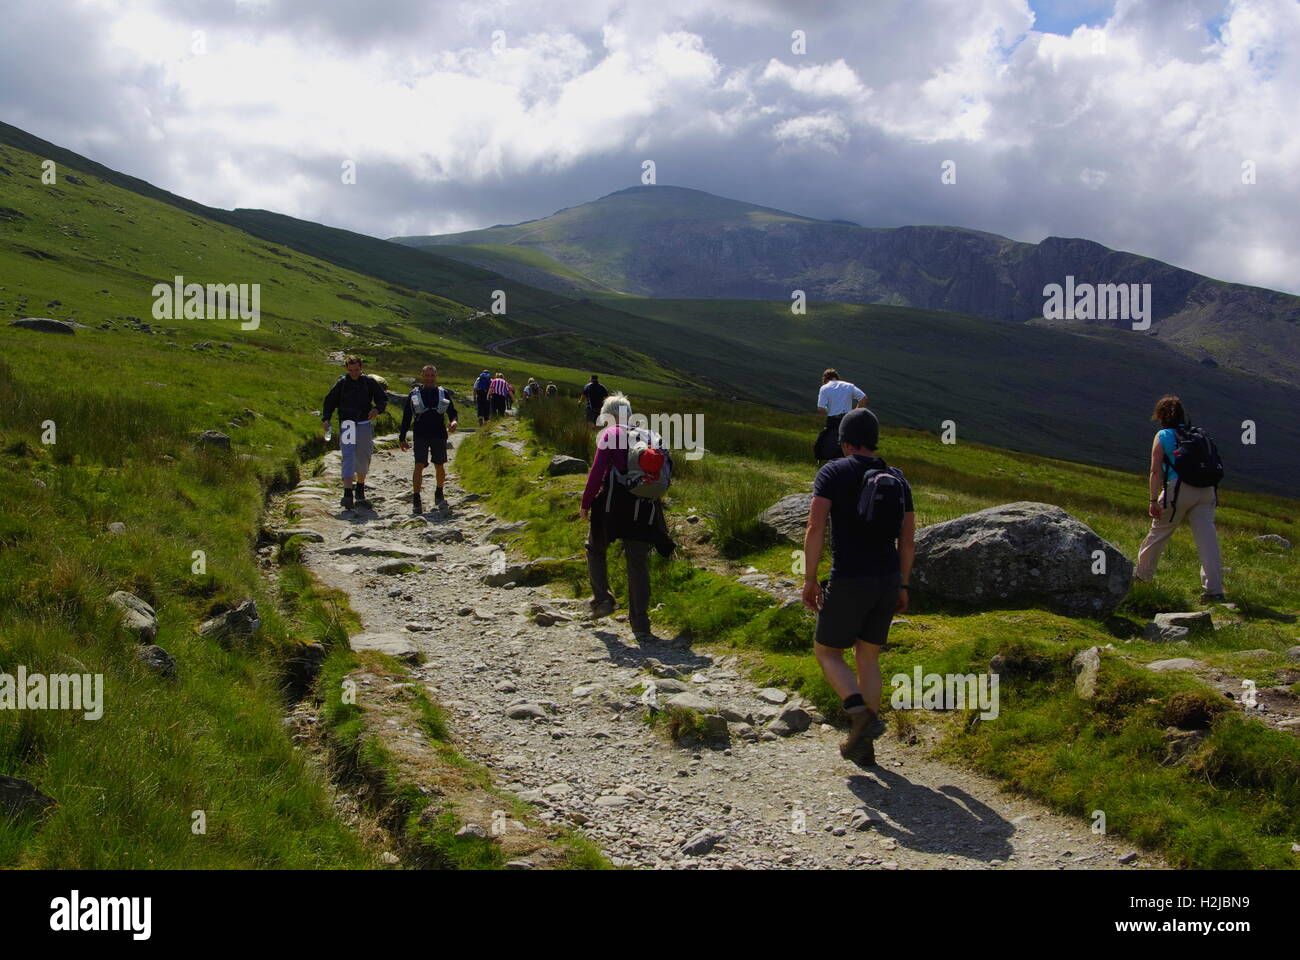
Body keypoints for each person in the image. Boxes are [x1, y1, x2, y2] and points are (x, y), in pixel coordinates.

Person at [802, 408, 914, 766]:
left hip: (850, 577)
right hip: (887, 579)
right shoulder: (897, 477)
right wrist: (904, 584)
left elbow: (815, 527)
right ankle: (862, 744)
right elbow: (908, 540)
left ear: (844, 441)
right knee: (868, 656)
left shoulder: (832, 471)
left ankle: (857, 711)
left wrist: (808, 578)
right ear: (875, 439)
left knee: (827, 651)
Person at [580, 392, 674, 641]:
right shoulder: (650, 436)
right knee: (637, 563)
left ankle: (603, 599)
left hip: (612, 506)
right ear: (629, 414)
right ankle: (640, 624)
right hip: (644, 507)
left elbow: (597, 472)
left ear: (607, 415)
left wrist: (585, 503)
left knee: (594, 548)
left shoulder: (609, 435)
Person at [1135, 395, 1225, 602]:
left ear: (1160, 416)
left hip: (1178, 490)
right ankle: (1214, 590)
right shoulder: (1198, 434)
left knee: (1159, 533)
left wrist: (1152, 500)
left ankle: (1142, 578)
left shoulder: (1163, 435)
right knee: (1207, 540)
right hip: (1207, 490)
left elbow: (1155, 471)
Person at [322, 355, 387, 510]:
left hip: (364, 422)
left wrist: (377, 409)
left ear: (361, 367)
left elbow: (382, 399)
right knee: (348, 454)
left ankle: (360, 487)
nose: (354, 373)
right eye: (351, 370)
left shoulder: (369, 382)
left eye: (356, 370)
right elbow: (329, 401)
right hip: (347, 423)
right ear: (346, 369)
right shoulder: (342, 383)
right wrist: (326, 419)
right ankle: (347, 493)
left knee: (364, 454)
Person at [398, 365, 458, 514]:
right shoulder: (414, 394)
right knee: (419, 464)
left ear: (436, 376)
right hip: (420, 434)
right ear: (422, 376)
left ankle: (439, 491)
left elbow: (452, 412)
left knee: (439, 465)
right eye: (427, 375)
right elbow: (406, 417)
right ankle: (416, 497)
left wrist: (453, 421)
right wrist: (402, 437)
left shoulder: (443, 393)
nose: (429, 378)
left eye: (432, 375)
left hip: (438, 434)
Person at [815, 368, 868, 461]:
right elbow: (863, 398)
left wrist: (829, 411)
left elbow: (820, 408)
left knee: (828, 440)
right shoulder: (849, 386)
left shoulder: (825, 388)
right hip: (848, 418)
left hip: (833, 419)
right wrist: (854, 412)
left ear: (825, 379)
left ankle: (826, 461)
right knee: (847, 442)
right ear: (837, 377)